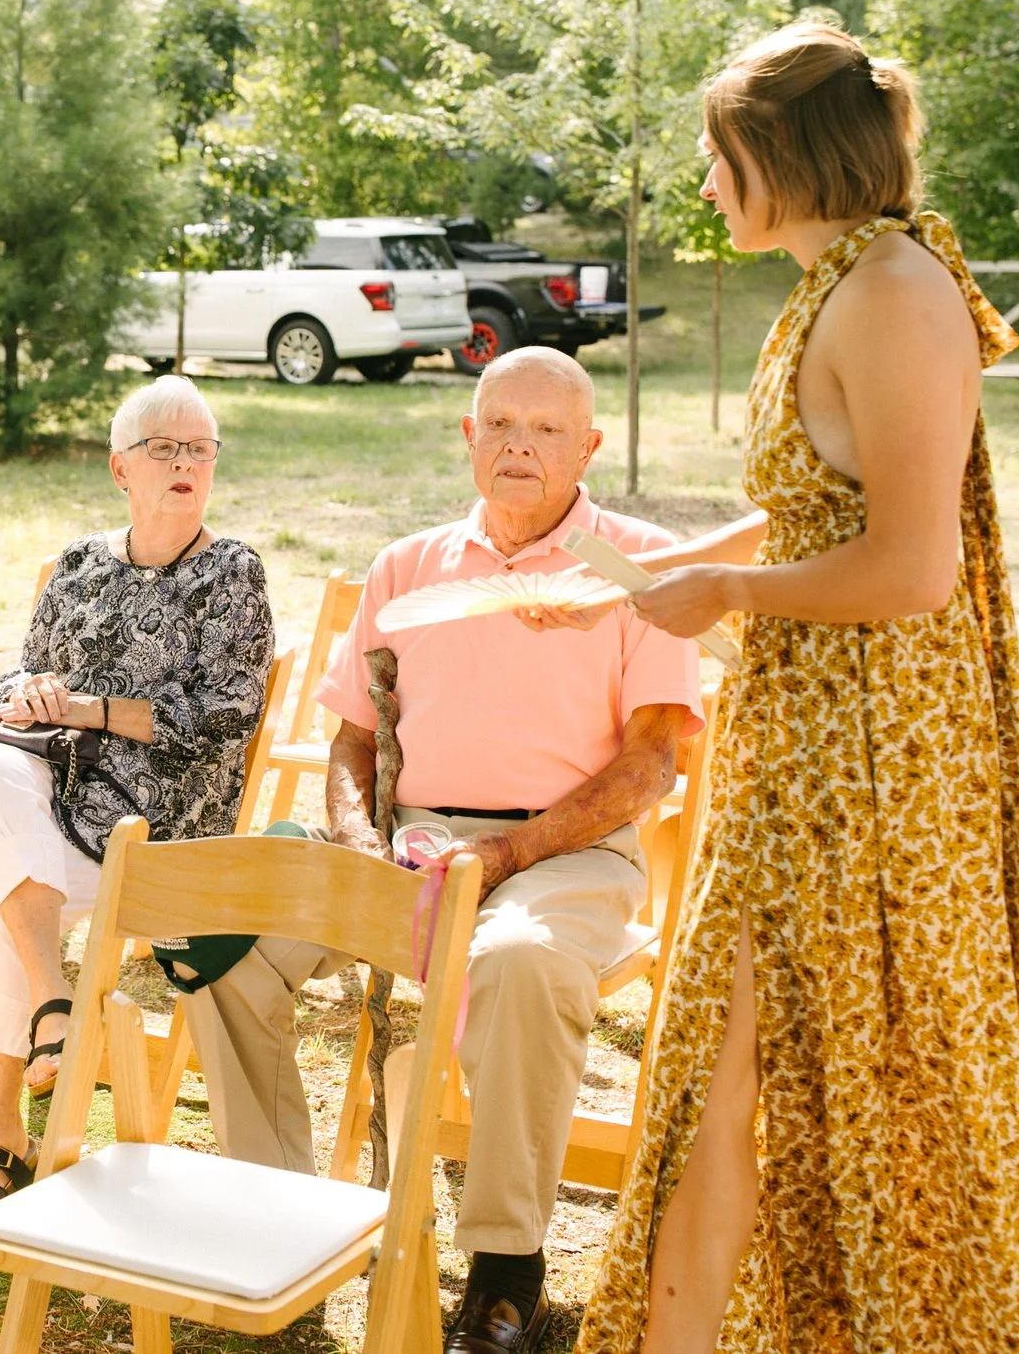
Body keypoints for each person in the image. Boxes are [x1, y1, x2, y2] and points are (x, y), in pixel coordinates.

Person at [550, 24, 1019, 1353]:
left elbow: (909, 566)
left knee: (876, 1084)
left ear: (786, 152)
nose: (710, 187)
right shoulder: (837, 277)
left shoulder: (895, 289)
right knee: (722, 1069)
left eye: (722, 159)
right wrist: (677, 559)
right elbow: (808, 511)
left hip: (883, 763)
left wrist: (723, 596)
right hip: (807, 748)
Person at [181, 346, 702, 1354]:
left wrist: (505, 859)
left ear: (588, 446)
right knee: (222, 952)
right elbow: (353, 737)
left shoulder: (633, 567)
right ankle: (281, 1230)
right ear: (467, 437)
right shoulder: (406, 565)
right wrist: (358, 839)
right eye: (499, 424)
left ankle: (505, 1275)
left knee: (519, 961)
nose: (519, 445)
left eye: (547, 429)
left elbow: (647, 769)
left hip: (565, 851)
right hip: (405, 838)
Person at [0, 374, 274, 1231]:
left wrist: (89, 709)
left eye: (200, 448)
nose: (186, 462)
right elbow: (18, 674)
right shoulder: (78, 562)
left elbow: (225, 714)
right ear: (122, 468)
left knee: (11, 870)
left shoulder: (233, 572)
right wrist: (31, 692)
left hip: (161, 828)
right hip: (57, 797)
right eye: (165, 448)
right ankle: (53, 992)